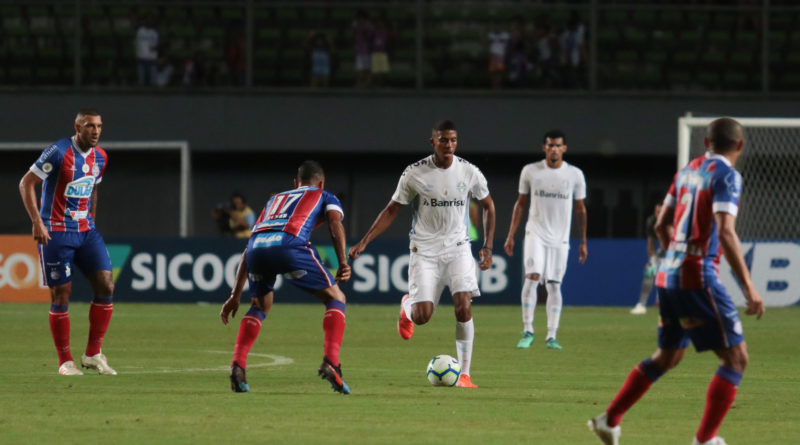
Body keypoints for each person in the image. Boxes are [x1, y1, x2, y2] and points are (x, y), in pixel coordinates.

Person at [588, 117, 765, 445]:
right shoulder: (728, 175)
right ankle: (704, 440)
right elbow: (726, 231)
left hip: (668, 275)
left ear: (705, 143)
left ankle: (609, 419)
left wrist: (675, 257)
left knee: (668, 356)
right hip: (697, 274)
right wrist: (749, 287)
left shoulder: (687, 171)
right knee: (737, 358)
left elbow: (660, 225)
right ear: (739, 145)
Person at [349, 120, 496, 389]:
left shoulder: (469, 171)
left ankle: (464, 374)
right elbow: (392, 209)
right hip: (424, 250)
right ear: (433, 143)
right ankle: (407, 308)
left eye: (453, 140)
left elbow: (488, 205)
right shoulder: (415, 173)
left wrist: (487, 246)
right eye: (443, 140)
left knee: (464, 305)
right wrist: (365, 241)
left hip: (458, 247)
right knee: (422, 316)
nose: (449, 145)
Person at [220, 161, 352, 394]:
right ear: (320, 183)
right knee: (336, 297)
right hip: (289, 245)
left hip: (257, 249)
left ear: (295, 183)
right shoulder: (324, 194)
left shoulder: (275, 200)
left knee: (260, 305)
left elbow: (249, 247)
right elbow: (335, 222)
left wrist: (235, 294)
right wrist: (342, 262)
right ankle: (331, 361)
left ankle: (238, 366)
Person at [18, 108, 116, 376]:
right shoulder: (58, 151)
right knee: (62, 294)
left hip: (86, 230)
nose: (95, 131)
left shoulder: (101, 157)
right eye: (89, 126)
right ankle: (65, 361)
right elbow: (26, 183)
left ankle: (93, 354)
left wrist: (92, 219)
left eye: (99, 126)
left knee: (106, 284)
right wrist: (37, 221)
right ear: (77, 127)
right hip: (56, 231)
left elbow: (93, 187)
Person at [504, 129, 587, 351]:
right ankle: (528, 330)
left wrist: (583, 241)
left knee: (554, 284)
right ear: (544, 148)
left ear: (564, 149)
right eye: (550, 145)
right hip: (536, 232)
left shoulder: (575, 175)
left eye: (558, 145)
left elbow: (580, 209)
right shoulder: (531, 171)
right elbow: (520, 204)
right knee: (532, 277)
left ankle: (551, 335)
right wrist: (511, 234)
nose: (554, 149)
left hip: (560, 238)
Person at [630, 203, 668, 315]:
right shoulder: (651, 221)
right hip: (661, 253)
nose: (658, 215)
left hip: (675, 253)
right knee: (649, 272)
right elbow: (650, 245)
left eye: (661, 212)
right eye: (657, 212)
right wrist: (652, 260)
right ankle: (641, 304)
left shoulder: (673, 220)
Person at [134, 15, 159, 86]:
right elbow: (137, 44)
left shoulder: (154, 32)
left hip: (151, 59)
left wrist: (155, 47)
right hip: (141, 58)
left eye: (150, 20)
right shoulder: (140, 31)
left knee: (153, 82)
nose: (149, 22)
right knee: (141, 81)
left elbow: (155, 46)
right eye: (147, 20)